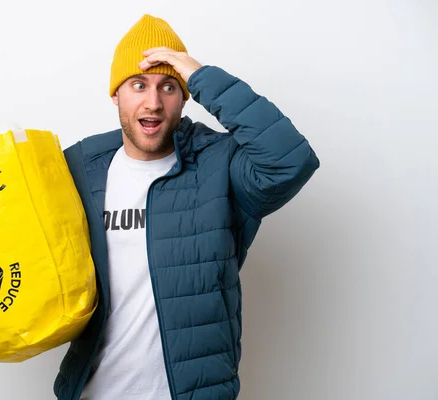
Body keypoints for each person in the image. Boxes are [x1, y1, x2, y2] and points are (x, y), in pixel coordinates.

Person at [54, 14, 319, 400]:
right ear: (115, 94)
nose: (153, 102)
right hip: (90, 390)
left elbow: (290, 161)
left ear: (185, 96)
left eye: (169, 86)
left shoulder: (220, 164)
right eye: (138, 85)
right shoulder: (81, 166)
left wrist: (201, 75)